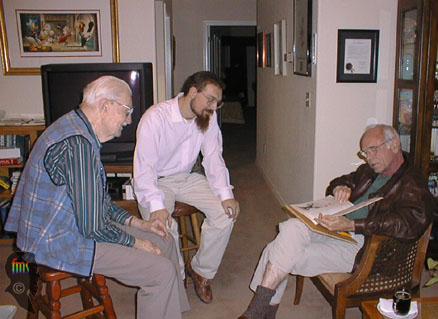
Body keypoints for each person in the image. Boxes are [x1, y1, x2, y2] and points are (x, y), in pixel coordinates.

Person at [5, 76, 190, 319]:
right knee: (161, 271)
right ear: (105, 106)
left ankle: (171, 312)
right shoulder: (77, 145)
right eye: (126, 111)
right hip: (54, 241)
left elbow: (99, 201)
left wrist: (139, 224)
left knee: (164, 240)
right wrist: (138, 243)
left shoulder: (76, 127)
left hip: (70, 224)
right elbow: (93, 227)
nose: (129, 120)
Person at [238, 124, 434, 319]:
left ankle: (257, 312)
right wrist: (340, 187)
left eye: (373, 150)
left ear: (395, 144)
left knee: (276, 250)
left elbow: (409, 224)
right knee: (291, 227)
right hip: (336, 229)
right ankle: (260, 313)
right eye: (365, 153)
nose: (369, 158)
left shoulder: (413, 183)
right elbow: (339, 181)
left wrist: (352, 225)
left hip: (364, 248)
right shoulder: (369, 171)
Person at [133, 71, 240, 304]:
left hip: (186, 177)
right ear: (193, 91)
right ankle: (176, 276)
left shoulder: (206, 118)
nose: (213, 107)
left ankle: (201, 270)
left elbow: (213, 157)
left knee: (226, 214)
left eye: (217, 103)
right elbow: (144, 169)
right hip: (155, 181)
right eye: (210, 99)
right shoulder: (155, 118)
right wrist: (156, 205)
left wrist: (226, 194)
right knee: (163, 226)